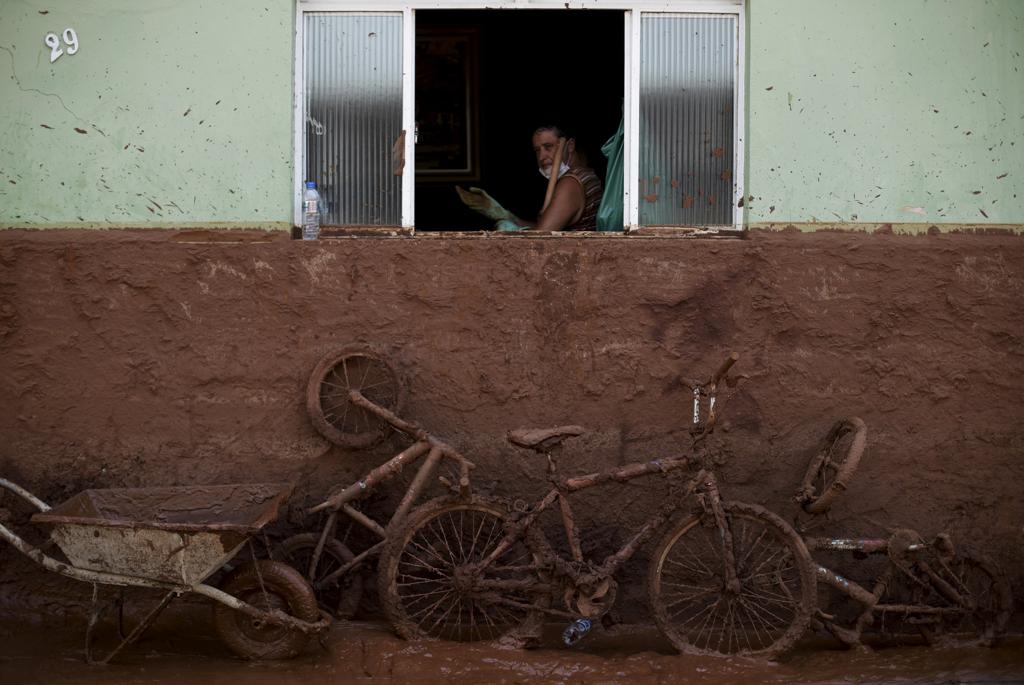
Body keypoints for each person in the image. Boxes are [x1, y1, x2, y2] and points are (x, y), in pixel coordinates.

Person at [457, 125, 603, 232]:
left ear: (569, 146)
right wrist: (507, 215)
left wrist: (511, 230)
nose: (542, 156)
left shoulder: (570, 184)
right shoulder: (585, 174)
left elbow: (539, 239)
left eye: (548, 147)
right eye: (537, 150)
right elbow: (546, 228)